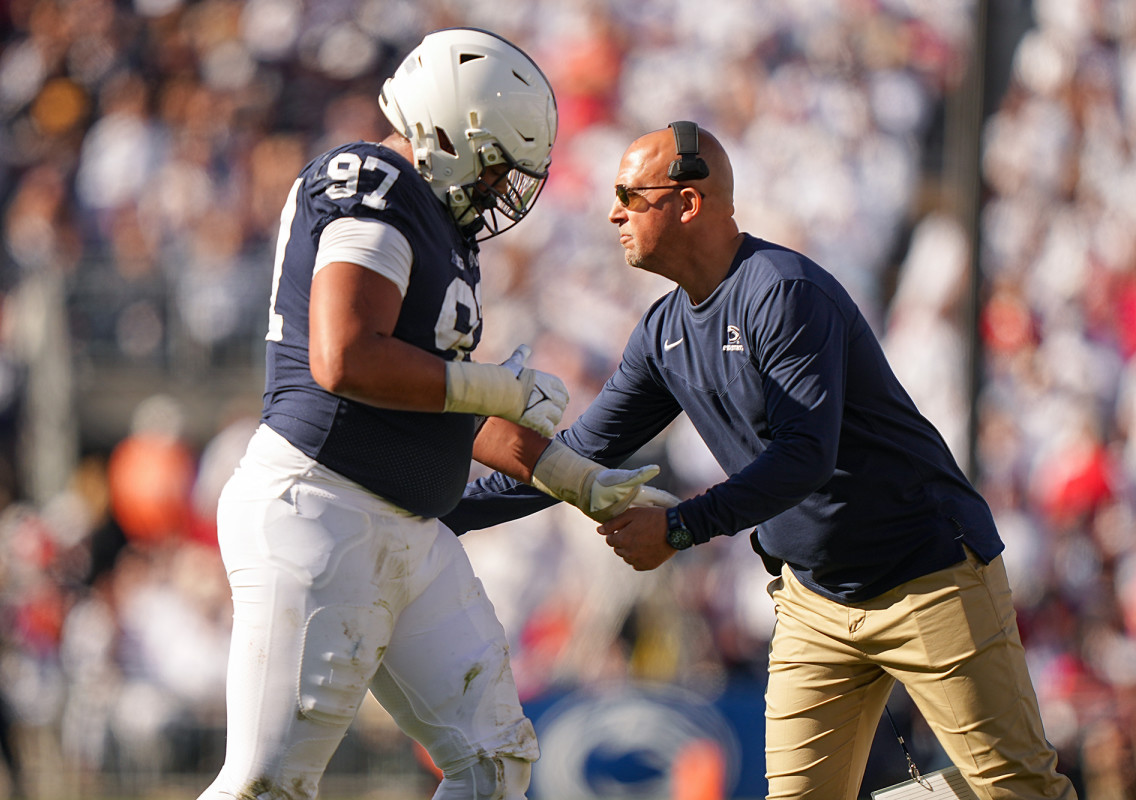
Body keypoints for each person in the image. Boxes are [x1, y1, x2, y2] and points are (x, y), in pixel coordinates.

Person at [442, 123, 1078, 800]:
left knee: (1020, 790)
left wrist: (681, 529)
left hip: (926, 575)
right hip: (815, 599)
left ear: (688, 203)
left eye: (630, 192)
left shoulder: (782, 290)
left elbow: (804, 457)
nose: (613, 210)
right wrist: (441, 511)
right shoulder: (664, 331)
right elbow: (577, 455)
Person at [195, 28, 667, 800]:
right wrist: (493, 386)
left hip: (409, 529)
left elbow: (440, 402)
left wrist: (580, 480)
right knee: (268, 783)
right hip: (322, 506)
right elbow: (346, 356)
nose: (493, 195)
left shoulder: (437, 225)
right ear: (445, 129)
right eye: (492, 170)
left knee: (495, 758)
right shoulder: (373, 180)